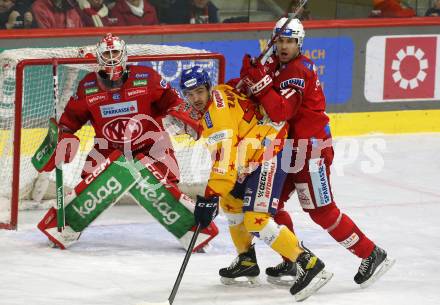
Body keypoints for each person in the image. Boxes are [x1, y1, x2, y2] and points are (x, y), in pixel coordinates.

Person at [239, 17, 396, 288]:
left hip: (310, 149)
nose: (285, 46)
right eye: (281, 41)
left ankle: (371, 253)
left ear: (299, 43)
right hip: (287, 147)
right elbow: (263, 92)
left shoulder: (299, 70)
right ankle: (291, 259)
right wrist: (250, 77)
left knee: (320, 210)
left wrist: (260, 82)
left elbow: (281, 111)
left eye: (290, 41)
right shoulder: (277, 65)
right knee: (267, 206)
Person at [35, 33, 215, 250]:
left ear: (124, 55)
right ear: (99, 58)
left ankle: (193, 229)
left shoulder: (146, 78)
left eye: (115, 52)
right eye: (107, 53)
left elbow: (172, 101)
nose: (112, 58)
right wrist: (63, 135)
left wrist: (183, 115)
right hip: (107, 147)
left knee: (166, 190)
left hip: (151, 144)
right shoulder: (88, 86)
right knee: (85, 190)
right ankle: (64, 227)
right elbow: (71, 119)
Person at [181, 66, 332, 301]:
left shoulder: (216, 119)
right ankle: (247, 261)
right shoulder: (220, 91)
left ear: (208, 87)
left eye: (199, 92)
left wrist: (209, 196)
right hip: (253, 148)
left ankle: (310, 264)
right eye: (189, 95)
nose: (195, 99)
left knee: (256, 220)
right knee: (230, 201)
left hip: (269, 148)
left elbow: (224, 162)